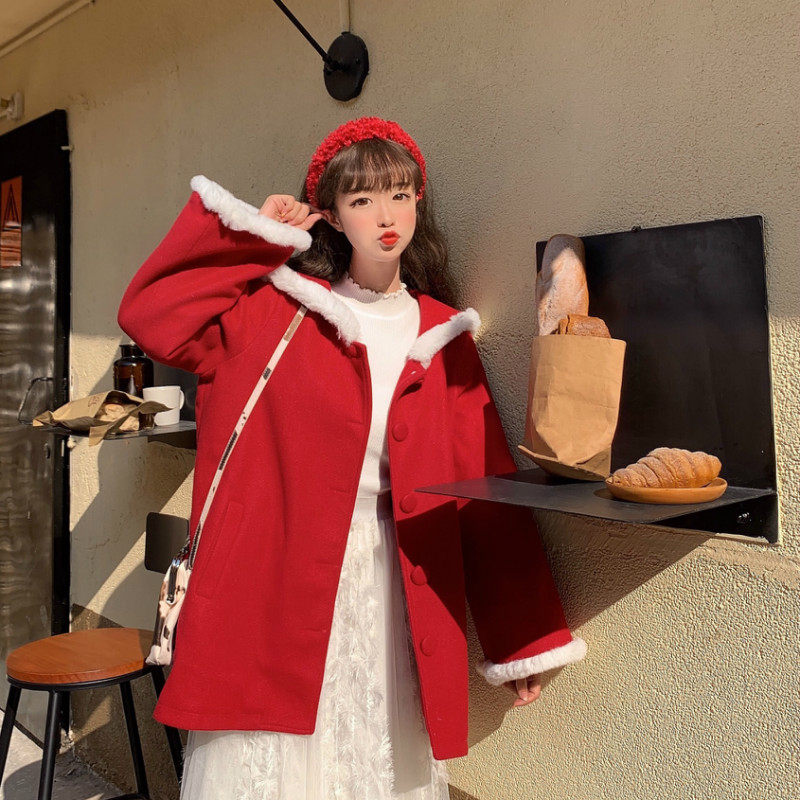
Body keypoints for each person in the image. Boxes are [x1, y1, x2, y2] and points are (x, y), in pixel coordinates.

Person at [117, 116, 587, 799]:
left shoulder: (443, 336)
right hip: (272, 585)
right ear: (332, 215)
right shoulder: (276, 311)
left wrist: (522, 638)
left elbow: (482, 491)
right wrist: (255, 234)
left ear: (419, 201)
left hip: (391, 590)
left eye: (399, 194)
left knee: (373, 765)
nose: (385, 216)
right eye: (362, 199)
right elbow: (153, 314)